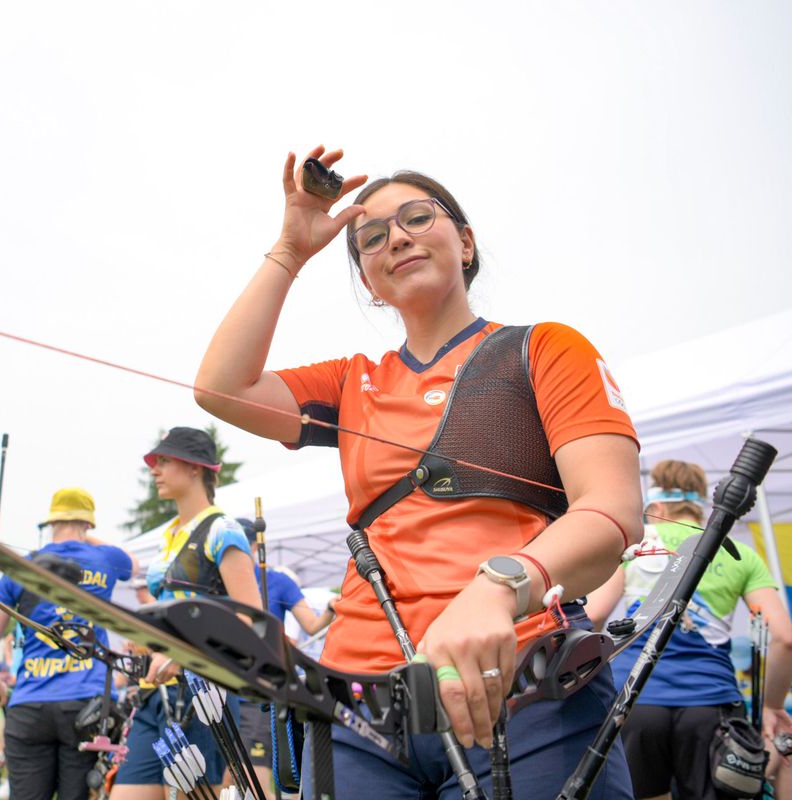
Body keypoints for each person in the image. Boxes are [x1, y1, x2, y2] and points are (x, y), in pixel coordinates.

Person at [194, 146, 643, 798]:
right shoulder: (354, 381)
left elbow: (611, 510)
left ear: (464, 242)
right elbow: (218, 387)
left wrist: (499, 587)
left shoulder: (543, 349)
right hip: (361, 707)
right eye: (370, 237)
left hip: (521, 688)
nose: (395, 237)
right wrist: (291, 250)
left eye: (415, 217)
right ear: (372, 286)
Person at [585, 459, 792, 799]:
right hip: (710, 704)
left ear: (656, 501)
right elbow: (783, 638)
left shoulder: (637, 543)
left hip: (634, 699)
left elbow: (596, 614)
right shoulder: (738, 553)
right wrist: (771, 706)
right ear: (703, 502)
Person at [110, 428, 263, 800]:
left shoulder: (222, 530)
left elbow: (252, 622)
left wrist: (187, 657)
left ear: (196, 469)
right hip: (154, 696)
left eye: (164, 461)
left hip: (203, 695)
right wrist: (146, 639)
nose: (154, 470)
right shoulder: (172, 534)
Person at [0, 487, 134, 800]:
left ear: (51, 522)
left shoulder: (21, 567)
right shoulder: (106, 559)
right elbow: (132, 565)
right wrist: (86, 538)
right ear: (88, 524)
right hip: (87, 707)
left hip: (29, 704)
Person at [233, 517, 336, 794]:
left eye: (241, 545)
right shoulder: (218, 582)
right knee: (230, 782)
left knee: (254, 780)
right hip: (224, 692)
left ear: (255, 547)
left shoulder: (276, 581)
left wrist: (330, 607)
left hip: (260, 693)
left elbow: (312, 625)